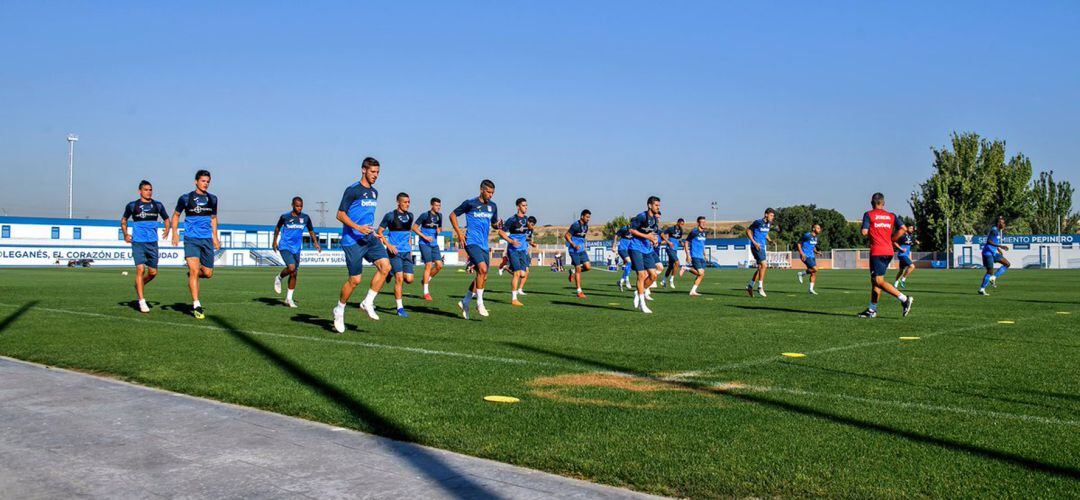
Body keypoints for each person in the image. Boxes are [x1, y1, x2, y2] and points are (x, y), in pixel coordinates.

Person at [332, 157, 392, 333]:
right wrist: (358, 227)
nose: (376, 175)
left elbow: (367, 216)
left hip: (369, 238)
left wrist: (372, 232)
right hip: (352, 241)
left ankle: (368, 302)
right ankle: (339, 310)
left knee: (385, 267)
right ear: (363, 170)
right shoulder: (352, 190)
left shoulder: (375, 193)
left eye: (378, 173)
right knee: (355, 280)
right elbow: (340, 215)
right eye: (373, 172)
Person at [451, 179, 507, 319]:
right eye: (488, 192)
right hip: (471, 242)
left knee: (483, 276)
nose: (490, 195)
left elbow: (494, 224)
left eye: (492, 193)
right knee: (482, 269)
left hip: (483, 244)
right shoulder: (470, 203)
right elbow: (452, 215)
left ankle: (465, 301)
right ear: (481, 190)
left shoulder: (493, 206)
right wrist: (459, 233)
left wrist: (498, 225)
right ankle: (480, 303)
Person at [170, 170, 219, 319]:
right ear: (196, 181)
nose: (206, 183)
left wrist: (215, 237)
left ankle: (193, 274)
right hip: (191, 239)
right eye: (203, 181)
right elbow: (176, 215)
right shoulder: (186, 198)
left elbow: (214, 218)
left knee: (208, 273)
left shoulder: (213, 199)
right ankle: (196, 304)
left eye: (208, 181)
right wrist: (175, 233)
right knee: (194, 270)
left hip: (206, 240)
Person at [857, 192, 914, 318]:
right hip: (888, 251)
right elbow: (903, 228)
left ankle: (905, 299)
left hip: (877, 251)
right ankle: (872, 310)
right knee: (875, 281)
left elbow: (864, 232)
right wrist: (893, 239)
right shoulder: (891, 215)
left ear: (872, 203)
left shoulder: (869, 214)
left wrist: (868, 228)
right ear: (883, 203)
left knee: (878, 280)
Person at [120, 180, 172, 313]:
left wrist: (167, 229)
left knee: (153, 272)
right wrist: (125, 234)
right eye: (146, 189)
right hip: (138, 243)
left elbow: (167, 219)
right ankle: (142, 301)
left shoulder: (158, 205)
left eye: (150, 190)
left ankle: (139, 284)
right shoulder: (132, 206)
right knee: (140, 270)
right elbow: (124, 220)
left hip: (152, 243)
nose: (148, 192)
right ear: (140, 191)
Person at [272, 196, 321, 308]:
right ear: (292, 205)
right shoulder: (285, 217)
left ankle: (289, 299)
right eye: (297, 206)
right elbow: (277, 228)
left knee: (294, 274)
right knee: (291, 267)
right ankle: (279, 277)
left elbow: (311, 230)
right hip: (285, 246)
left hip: (296, 249)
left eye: (301, 206)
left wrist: (315, 242)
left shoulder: (305, 218)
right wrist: (274, 241)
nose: (299, 208)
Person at [377, 193, 415, 317]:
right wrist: (389, 245)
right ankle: (400, 308)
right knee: (399, 279)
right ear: (398, 202)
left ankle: (390, 272)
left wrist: (410, 249)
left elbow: (409, 233)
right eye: (404, 202)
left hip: (406, 252)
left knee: (409, 279)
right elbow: (380, 232)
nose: (407, 204)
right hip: (395, 252)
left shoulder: (410, 216)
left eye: (408, 202)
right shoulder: (390, 216)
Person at [628, 197, 662, 313]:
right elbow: (632, 230)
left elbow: (651, 233)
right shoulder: (642, 216)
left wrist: (654, 239)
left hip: (647, 249)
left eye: (659, 205)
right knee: (641, 275)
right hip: (636, 248)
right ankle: (642, 304)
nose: (658, 207)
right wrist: (647, 237)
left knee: (653, 276)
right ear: (649, 205)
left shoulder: (655, 220)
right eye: (656, 205)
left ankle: (638, 292)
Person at [413, 197, 444, 301]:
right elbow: (414, 228)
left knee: (439, 265)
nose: (438, 207)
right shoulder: (425, 215)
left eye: (439, 206)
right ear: (432, 205)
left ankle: (425, 280)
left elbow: (439, 227)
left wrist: (439, 230)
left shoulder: (440, 216)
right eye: (436, 205)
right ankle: (426, 292)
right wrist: (424, 237)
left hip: (434, 244)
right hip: (424, 243)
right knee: (428, 265)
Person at [503, 198, 531, 306]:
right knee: (517, 273)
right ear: (518, 207)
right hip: (513, 250)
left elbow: (525, 235)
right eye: (524, 205)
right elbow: (501, 232)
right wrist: (510, 241)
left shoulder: (527, 219)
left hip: (523, 250)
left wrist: (530, 242)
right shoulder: (512, 220)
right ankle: (514, 299)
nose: (526, 207)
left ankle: (506, 267)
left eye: (526, 205)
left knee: (523, 274)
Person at [745, 208, 775, 297]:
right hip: (756, 247)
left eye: (773, 216)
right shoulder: (758, 222)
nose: (772, 217)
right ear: (766, 214)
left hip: (762, 247)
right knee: (764, 265)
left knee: (760, 268)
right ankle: (760, 287)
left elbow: (765, 233)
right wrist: (754, 242)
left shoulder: (769, 224)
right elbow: (748, 231)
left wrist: (769, 240)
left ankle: (750, 286)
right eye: (771, 215)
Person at [979, 216, 1011, 295]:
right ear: (998, 223)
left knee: (1007, 264)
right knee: (989, 271)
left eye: (1004, 223)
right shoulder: (994, 230)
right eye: (1002, 223)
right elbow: (989, 241)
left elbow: (993, 242)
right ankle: (982, 289)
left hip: (993, 253)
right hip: (987, 253)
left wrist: (998, 249)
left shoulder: (997, 231)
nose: (1004, 224)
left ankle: (993, 278)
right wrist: (1001, 246)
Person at [565, 209, 592, 298]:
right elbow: (567, 236)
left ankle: (572, 272)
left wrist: (582, 245)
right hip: (574, 251)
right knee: (578, 270)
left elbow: (582, 238)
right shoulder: (575, 225)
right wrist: (574, 245)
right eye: (587, 217)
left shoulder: (586, 226)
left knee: (588, 267)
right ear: (582, 216)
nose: (588, 219)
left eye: (589, 217)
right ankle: (579, 291)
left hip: (582, 250)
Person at [682, 216, 708, 296]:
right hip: (695, 255)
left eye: (705, 222)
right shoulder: (694, 232)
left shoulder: (704, 233)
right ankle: (686, 268)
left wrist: (705, 255)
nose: (704, 224)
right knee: (700, 273)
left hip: (701, 257)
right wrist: (688, 255)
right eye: (702, 222)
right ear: (698, 223)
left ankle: (693, 291)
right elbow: (686, 242)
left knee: (701, 274)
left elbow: (702, 245)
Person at [796, 223, 823, 295]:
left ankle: (811, 289)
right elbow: (798, 243)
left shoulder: (815, 237)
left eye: (819, 228)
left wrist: (817, 252)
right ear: (813, 229)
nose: (819, 230)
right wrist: (802, 253)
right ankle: (801, 273)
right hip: (806, 256)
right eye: (818, 228)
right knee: (815, 269)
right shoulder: (807, 235)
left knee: (813, 273)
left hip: (812, 256)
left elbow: (813, 246)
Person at [517, 215, 538, 295]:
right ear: (528, 222)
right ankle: (506, 267)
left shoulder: (530, 230)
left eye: (533, 225)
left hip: (525, 252)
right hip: (519, 251)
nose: (532, 227)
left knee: (526, 272)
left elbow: (528, 239)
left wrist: (532, 244)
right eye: (532, 225)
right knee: (520, 273)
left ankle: (520, 289)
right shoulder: (521, 228)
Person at [660, 219, 685, 288]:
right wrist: (668, 241)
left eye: (683, 224)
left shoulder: (681, 230)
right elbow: (662, 234)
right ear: (678, 223)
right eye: (681, 224)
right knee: (677, 263)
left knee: (670, 266)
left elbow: (679, 239)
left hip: (675, 249)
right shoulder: (671, 229)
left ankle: (664, 280)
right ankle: (671, 279)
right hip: (669, 249)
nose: (682, 225)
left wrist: (682, 243)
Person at [613, 224, 633, 291]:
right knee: (629, 262)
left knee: (629, 265)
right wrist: (614, 246)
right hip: (622, 249)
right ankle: (623, 280)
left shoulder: (636, 229)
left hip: (629, 249)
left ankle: (623, 281)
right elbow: (616, 235)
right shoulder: (624, 228)